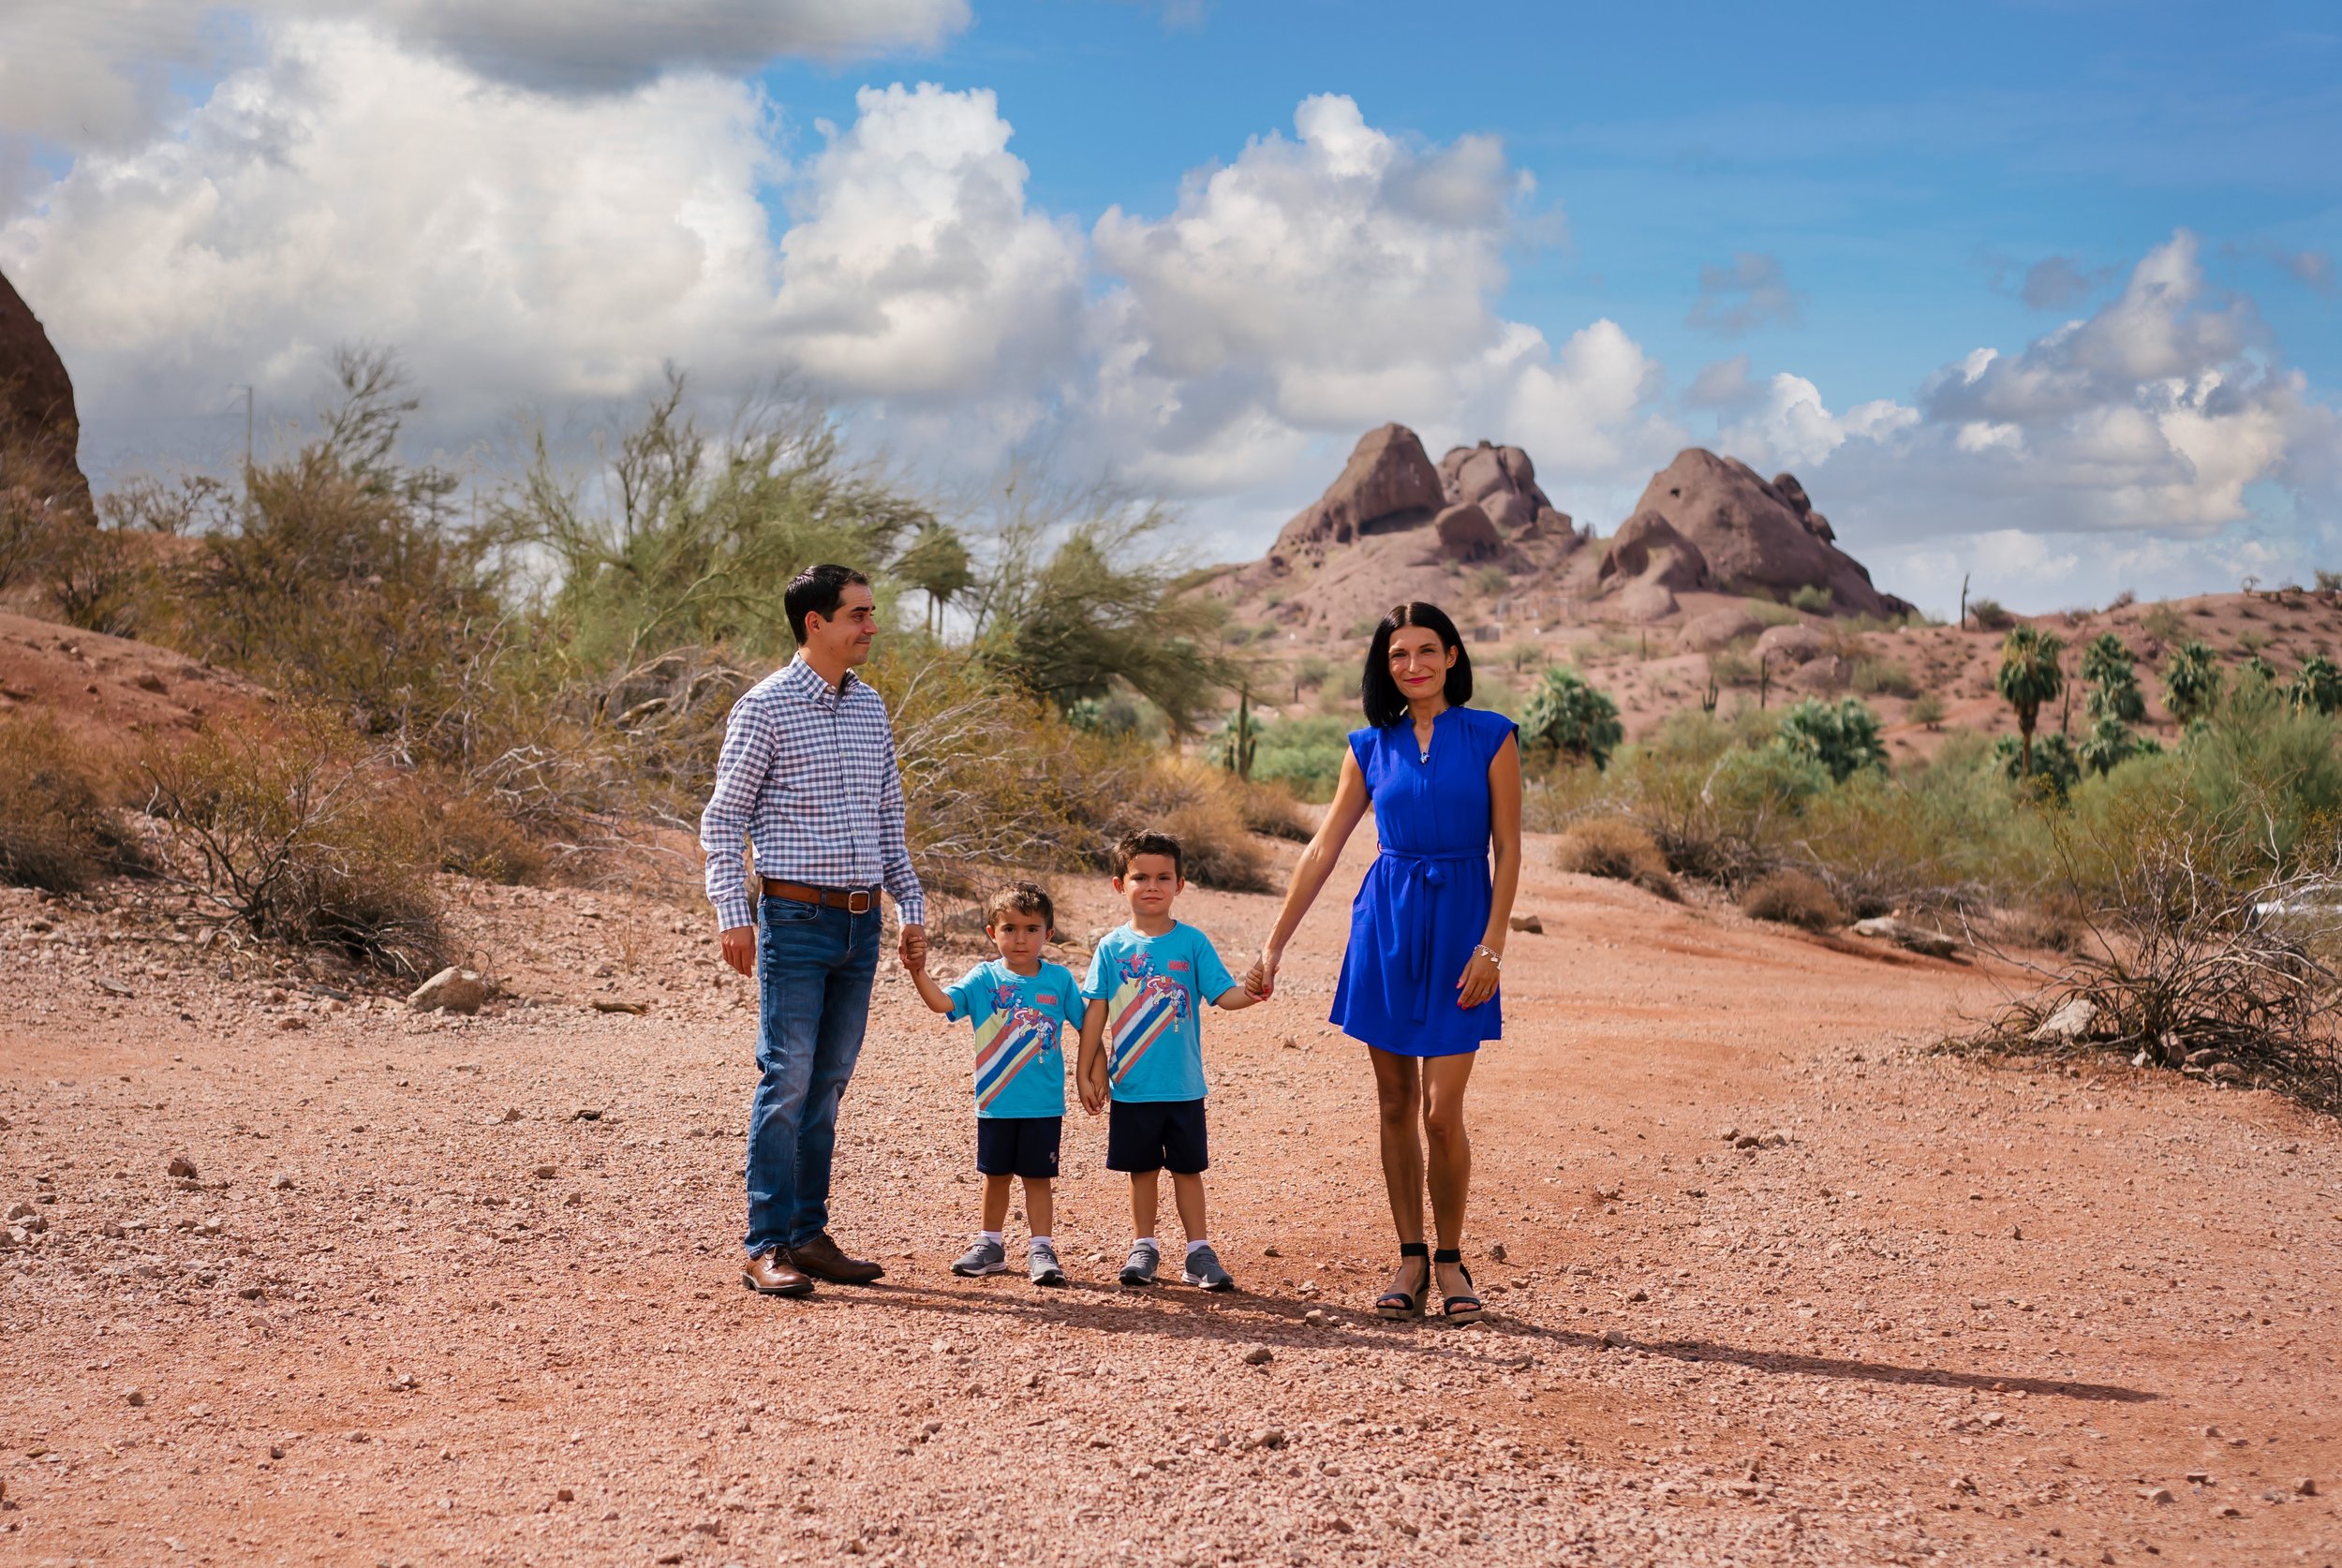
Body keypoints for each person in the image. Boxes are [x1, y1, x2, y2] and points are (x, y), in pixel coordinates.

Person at [1247, 603, 1522, 1324]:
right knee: (1396, 1102)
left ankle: (1453, 1259)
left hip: (1464, 923)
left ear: (1453, 657)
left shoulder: (1492, 736)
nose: (1413, 666)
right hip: (1388, 924)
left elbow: (1511, 851)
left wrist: (1493, 947)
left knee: (1441, 1110)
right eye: (1399, 655)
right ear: (1386, 664)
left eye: (1427, 651)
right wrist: (1274, 942)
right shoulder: (1370, 745)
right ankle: (1410, 1256)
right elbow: (1323, 847)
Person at [701, 564, 927, 1298]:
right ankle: (764, 1244)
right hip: (793, 917)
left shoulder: (870, 710)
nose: (871, 626)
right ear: (815, 624)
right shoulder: (763, 708)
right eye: (859, 614)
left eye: (870, 613)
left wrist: (911, 905)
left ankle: (807, 1234)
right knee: (787, 1078)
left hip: (860, 925)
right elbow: (723, 819)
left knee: (828, 1083)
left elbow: (889, 821)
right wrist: (734, 914)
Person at [1075, 831, 1262, 1292]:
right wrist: (1086, 1070)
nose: (1152, 885)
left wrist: (1254, 991)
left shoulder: (1192, 943)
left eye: (1163, 877)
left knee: (1187, 1169)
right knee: (1141, 1171)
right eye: (1140, 877)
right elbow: (1093, 1012)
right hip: (1133, 1086)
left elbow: (1224, 995)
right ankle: (1145, 1247)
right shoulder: (1111, 948)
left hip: (1183, 1086)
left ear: (1181, 884)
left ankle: (1199, 1252)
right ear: (1120, 885)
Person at [906, 882, 1083, 1287]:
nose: (1020, 938)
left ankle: (1042, 1248)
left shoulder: (1059, 980)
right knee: (996, 1175)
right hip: (995, 1102)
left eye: (1031, 929)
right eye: (1009, 929)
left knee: (1038, 1178)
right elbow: (943, 1003)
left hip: (1043, 1104)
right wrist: (919, 973)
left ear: (1048, 935)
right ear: (991, 932)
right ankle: (991, 1245)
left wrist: (1094, 1067)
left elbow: (1086, 1023)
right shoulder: (983, 979)